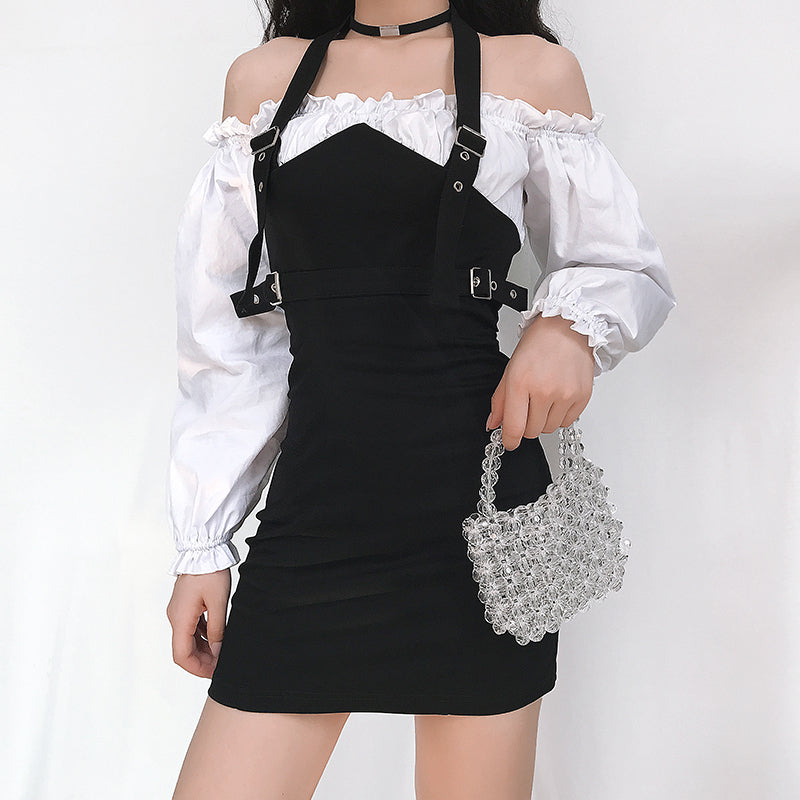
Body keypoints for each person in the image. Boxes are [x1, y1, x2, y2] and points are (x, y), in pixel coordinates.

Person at [165, 1, 677, 797]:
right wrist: (204, 545)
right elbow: (233, 346)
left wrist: (566, 331)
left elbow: (621, 262)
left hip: (480, 532)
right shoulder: (262, 83)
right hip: (312, 523)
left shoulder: (531, 73)